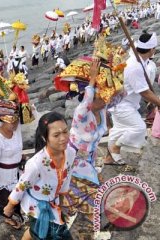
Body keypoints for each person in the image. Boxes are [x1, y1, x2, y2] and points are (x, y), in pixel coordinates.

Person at [3, 112, 75, 240]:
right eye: (56, 135)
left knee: (36, 232)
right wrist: (10, 207)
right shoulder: (36, 163)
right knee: (51, 235)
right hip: (37, 208)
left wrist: (62, 201)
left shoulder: (70, 153)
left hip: (54, 202)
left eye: (65, 132)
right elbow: (22, 185)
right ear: (44, 137)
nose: (63, 138)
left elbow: (66, 177)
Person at [61, 58, 108, 239]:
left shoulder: (100, 111)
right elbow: (88, 99)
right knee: (87, 202)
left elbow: (119, 94)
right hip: (74, 165)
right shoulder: (81, 112)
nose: (104, 99)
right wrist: (92, 79)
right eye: (100, 96)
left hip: (87, 164)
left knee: (88, 203)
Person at [106, 32, 160, 164]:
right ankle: (116, 147)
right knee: (139, 128)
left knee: (118, 131)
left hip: (122, 102)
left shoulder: (139, 61)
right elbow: (145, 93)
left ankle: (109, 158)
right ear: (152, 50)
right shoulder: (135, 66)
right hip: (123, 105)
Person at [0, 108, 23, 229]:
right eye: (12, 122)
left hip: (18, 171)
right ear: (2, 120)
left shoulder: (16, 130)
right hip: (3, 175)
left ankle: (9, 214)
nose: (15, 124)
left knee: (17, 196)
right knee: (4, 199)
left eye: (16, 121)